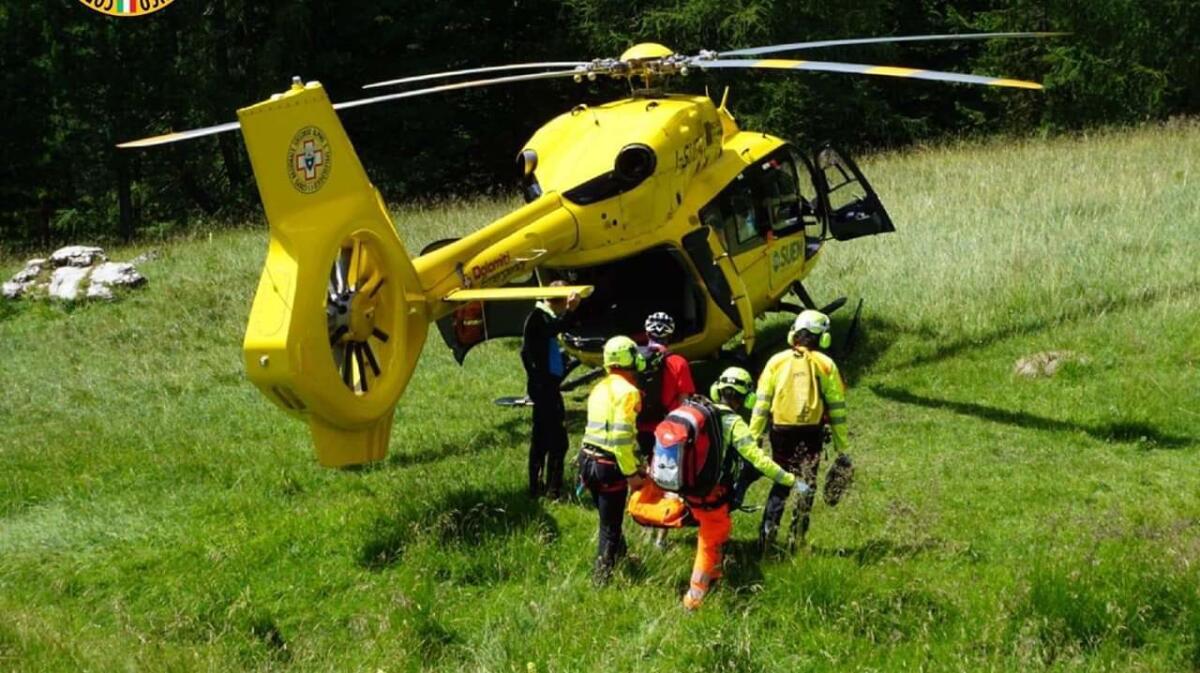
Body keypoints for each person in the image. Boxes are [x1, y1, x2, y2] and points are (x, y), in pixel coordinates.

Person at [680, 366, 808, 610]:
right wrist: (791, 480)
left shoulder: (699, 412)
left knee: (718, 531)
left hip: (688, 487)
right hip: (711, 493)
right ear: (747, 397)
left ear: (717, 389)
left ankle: (715, 575)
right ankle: (693, 601)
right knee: (709, 540)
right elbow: (758, 460)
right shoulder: (733, 423)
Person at [746, 310, 849, 552]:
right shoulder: (826, 364)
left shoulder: (776, 361)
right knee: (807, 482)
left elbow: (762, 403)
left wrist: (753, 437)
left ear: (794, 333)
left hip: (780, 431)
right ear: (823, 337)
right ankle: (797, 539)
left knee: (782, 481)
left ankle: (767, 536)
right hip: (811, 432)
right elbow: (837, 407)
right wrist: (842, 446)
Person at [579, 335, 645, 584]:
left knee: (608, 519)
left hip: (586, 460)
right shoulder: (629, 393)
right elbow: (619, 439)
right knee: (610, 528)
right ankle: (601, 579)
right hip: (608, 466)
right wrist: (632, 474)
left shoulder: (599, 387)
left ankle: (623, 557)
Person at [635, 312, 695, 548]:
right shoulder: (678, 363)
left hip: (641, 427)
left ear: (646, 333)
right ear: (671, 336)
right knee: (667, 482)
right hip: (667, 431)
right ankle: (660, 537)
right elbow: (684, 401)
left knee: (646, 477)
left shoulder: (636, 359)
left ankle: (643, 526)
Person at [519, 281, 580, 499]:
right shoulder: (539, 318)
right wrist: (571, 311)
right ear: (560, 301)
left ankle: (538, 488)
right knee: (556, 442)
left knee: (542, 438)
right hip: (544, 389)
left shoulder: (542, 317)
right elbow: (554, 329)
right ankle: (552, 489)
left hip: (545, 387)